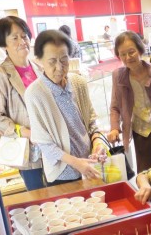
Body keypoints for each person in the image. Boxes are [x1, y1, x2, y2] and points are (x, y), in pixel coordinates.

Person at [25, 30, 104, 186]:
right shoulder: (34, 94)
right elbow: (44, 144)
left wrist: (98, 144)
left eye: (64, 60)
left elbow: (92, 123)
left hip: (90, 166)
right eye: (52, 61)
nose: (60, 67)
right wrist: (76, 163)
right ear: (39, 60)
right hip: (62, 174)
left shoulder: (79, 83)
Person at [107, 31, 151, 200]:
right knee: (145, 175)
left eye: (131, 52)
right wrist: (114, 128)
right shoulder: (118, 76)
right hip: (140, 132)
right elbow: (114, 107)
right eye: (122, 54)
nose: (128, 57)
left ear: (140, 49)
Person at [0, 16, 45, 190]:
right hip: (28, 150)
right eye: (15, 37)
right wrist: (24, 131)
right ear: (4, 44)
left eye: (24, 35)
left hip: (53, 146)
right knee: (39, 198)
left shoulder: (40, 69)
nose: (22, 41)